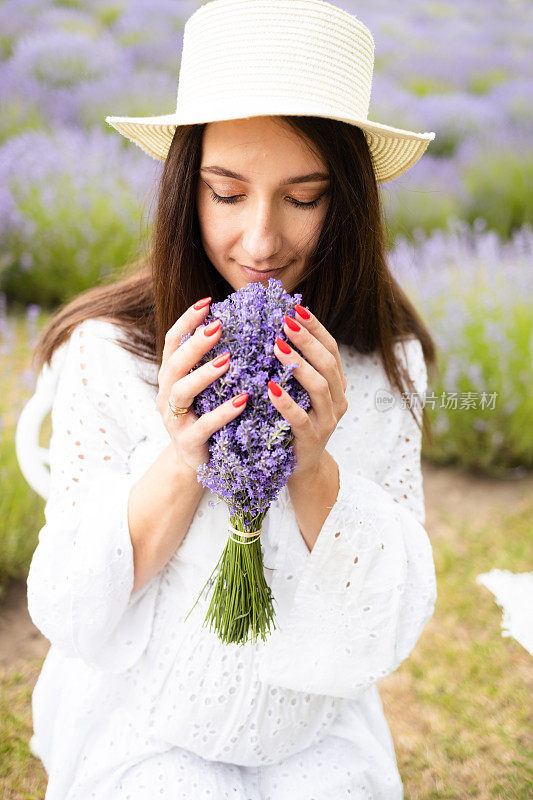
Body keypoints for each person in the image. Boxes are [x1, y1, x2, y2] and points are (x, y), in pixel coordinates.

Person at [26, 0, 438, 797]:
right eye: (227, 192)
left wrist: (316, 468)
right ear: (187, 190)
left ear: (346, 201)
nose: (260, 242)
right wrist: (182, 458)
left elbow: (387, 623)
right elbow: (71, 610)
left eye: (302, 196)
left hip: (313, 724)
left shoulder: (387, 366)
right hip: (146, 721)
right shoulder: (108, 354)